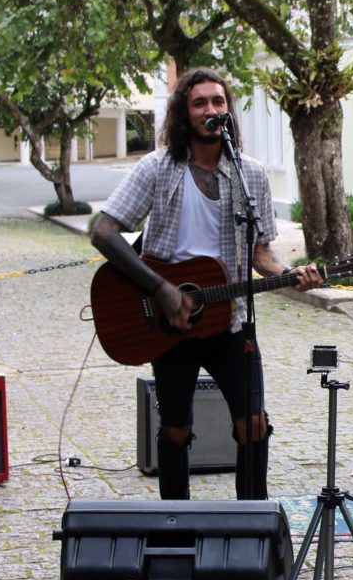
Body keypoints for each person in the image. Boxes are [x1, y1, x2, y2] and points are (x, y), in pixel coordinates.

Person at [90, 68, 323, 500]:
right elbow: (103, 232)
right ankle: (174, 524)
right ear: (184, 112)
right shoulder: (158, 168)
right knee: (175, 430)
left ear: (228, 111)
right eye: (199, 102)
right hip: (168, 324)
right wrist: (161, 289)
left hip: (231, 322)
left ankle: (251, 524)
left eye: (218, 101)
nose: (210, 110)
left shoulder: (250, 175)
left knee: (253, 425)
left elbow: (262, 256)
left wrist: (293, 276)